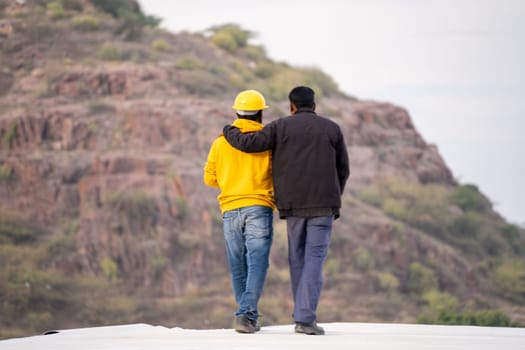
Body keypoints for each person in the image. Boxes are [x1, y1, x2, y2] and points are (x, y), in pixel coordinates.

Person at [222, 86, 350, 335]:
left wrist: (228, 130)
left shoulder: (280, 127)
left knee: (297, 258)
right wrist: (334, 197)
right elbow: (343, 169)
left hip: (293, 206)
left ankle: (301, 317)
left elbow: (249, 143)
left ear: (291, 106)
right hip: (323, 206)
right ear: (314, 106)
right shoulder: (332, 129)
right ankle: (305, 319)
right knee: (315, 259)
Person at [203, 89, 276, 334]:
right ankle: (245, 315)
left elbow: (209, 179)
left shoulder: (220, 143)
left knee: (237, 264)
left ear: (236, 111)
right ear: (260, 114)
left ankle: (247, 315)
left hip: (230, 208)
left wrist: (231, 180)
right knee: (257, 262)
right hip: (259, 205)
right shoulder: (267, 141)